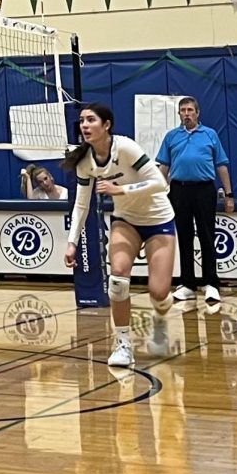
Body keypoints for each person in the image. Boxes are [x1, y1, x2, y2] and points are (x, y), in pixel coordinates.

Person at [64, 102, 176, 367]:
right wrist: (71, 243)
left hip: (158, 219)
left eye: (91, 120)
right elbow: (82, 205)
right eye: (82, 121)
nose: (85, 125)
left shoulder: (125, 147)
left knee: (159, 292)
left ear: (107, 125)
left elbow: (160, 184)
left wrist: (121, 191)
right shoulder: (85, 162)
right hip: (125, 220)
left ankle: (160, 320)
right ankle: (124, 344)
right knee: (118, 281)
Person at [156, 97, 233, 306]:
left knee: (207, 237)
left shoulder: (210, 134)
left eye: (190, 110)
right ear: (179, 114)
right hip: (179, 191)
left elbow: (222, 165)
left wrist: (229, 194)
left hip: (204, 190)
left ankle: (211, 284)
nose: (186, 114)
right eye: (183, 110)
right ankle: (188, 284)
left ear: (197, 113)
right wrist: (159, 191)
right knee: (185, 237)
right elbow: (162, 167)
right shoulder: (171, 137)